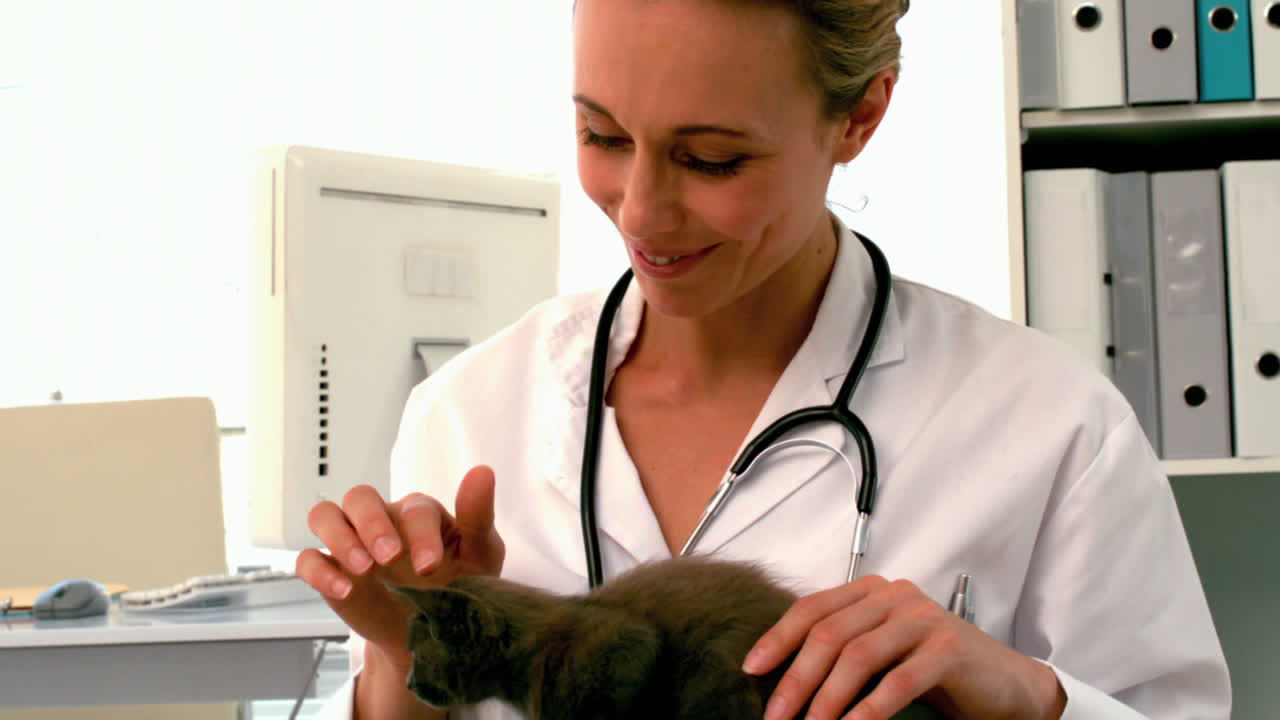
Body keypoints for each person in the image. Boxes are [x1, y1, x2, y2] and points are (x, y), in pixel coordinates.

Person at [304, 1, 1232, 718]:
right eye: (604, 138)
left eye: (710, 159)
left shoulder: (1049, 423)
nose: (639, 212)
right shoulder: (468, 412)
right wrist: (402, 652)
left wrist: (1030, 694)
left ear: (860, 118)